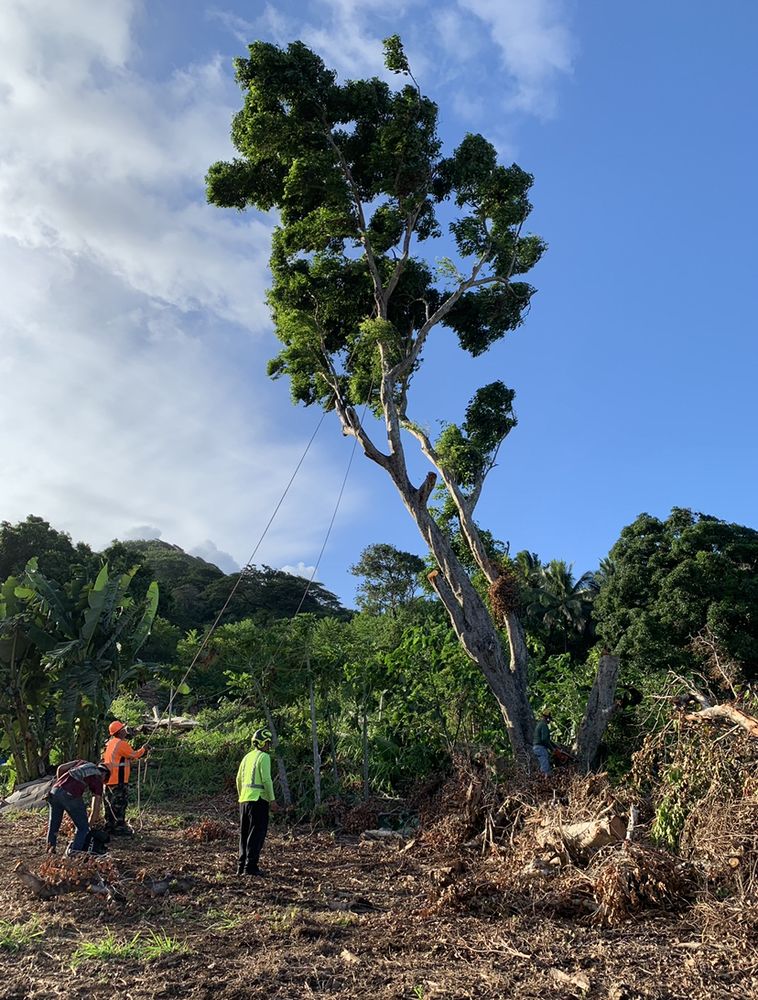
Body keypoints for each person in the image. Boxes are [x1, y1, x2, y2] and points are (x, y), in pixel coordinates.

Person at [236, 728, 277, 877]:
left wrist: (241, 796)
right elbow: (266, 780)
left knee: (244, 833)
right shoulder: (264, 757)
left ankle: (241, 866)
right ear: (262, 743)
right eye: (267, 743)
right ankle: (251, 867)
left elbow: (238, 779)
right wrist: (272, 800)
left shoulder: (247, 757)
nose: (268, 746)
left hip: (244, 800)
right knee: (256, 833)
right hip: (258, 800)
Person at [46, 761, 109, 853]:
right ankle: (74, 854)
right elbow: (95, 811)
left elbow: (61, 768)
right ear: (104, 774)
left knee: (54, 825)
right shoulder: (98, 779)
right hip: (70, 795)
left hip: (54, 791)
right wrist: (87, 828)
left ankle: (50, 851)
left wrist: (62, 786)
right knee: (82, 828)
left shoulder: (82, 762)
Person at [103, 720, 147, 835]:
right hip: (119, 779)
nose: (125, 731)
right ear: (120, 732)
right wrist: (144, 750)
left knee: (109, 805)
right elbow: (134, 755)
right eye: (123, 729)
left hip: (108, 779)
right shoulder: (121, 744)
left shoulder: (110, 743)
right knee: (120, 804)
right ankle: (119, 828)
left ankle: (109, 826)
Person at [532, 707, 557, 775]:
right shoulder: (544, 725)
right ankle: (545, 780)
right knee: (545, 767)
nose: (549, 722)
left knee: (546, 763)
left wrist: (556, 746)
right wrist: (552, 749)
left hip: (537, 748)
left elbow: (547, 739)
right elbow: (544, 739)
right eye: (549, 720)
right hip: (540, 748)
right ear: (547, 718)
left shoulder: (540, 724)